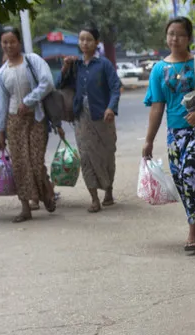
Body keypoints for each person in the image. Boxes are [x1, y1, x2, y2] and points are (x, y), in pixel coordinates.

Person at [143, 17, 195, 253]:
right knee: (186, 181)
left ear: (189, 38)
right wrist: (148, 140)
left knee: (190, 173)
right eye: (171, 34)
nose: (174, 39)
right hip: (174, 135)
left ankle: (193, 232)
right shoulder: (159, 69)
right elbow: (157, 107)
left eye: (180, 34)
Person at [0, 26, 58, 223]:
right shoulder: (2, 72)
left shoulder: (33, 61)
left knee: (36, 161)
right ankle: (25, 207)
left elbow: (47, 83)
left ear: (19, 42)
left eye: (12, 41)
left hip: (36, 117)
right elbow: (2, 103)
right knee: (20, 165)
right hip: (14, 121)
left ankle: (46, 190)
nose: (9, 45)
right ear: (1, 45)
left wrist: (28, 101)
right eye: (5, 42)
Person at [60, 27, 121, 213]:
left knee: (106, 155)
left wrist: (111, 107)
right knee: (86, 156)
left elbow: (115, 87)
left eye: (88, 39)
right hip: (81, 118)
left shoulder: (104, 64)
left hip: (103, 118)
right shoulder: (75, 65)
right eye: (81, 39)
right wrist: (65, 67)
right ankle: (94, 198)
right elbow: (59, 84)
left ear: (96, 42)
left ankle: (108, 189)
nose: (84, 43)